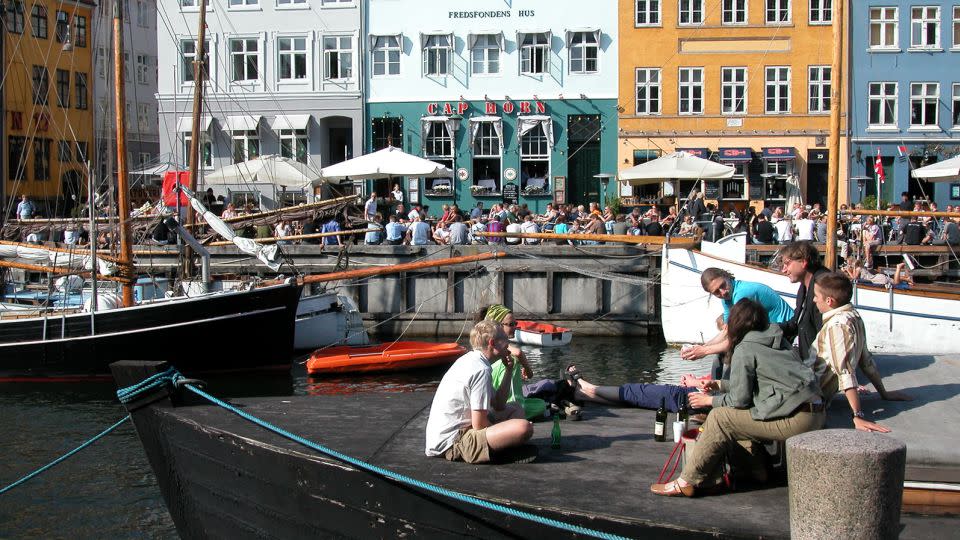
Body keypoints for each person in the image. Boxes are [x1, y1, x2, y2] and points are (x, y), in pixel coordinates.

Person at [650, 299, 825, 497]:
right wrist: (718, 385)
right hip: (813, 412)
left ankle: (687, 480)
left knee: (720, 418)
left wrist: (710, 401)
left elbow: (740, 400)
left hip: (796, 419)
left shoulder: (745, 348)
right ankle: (757, 471)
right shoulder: (777, 340)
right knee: (736, 416)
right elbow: (761, 384)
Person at [810, 273, 912, 433]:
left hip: (809, 393)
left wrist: (857, 416)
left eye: (816, 296)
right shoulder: (854, 316)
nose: (814, 300)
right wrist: (883, 393)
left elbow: (844, 370)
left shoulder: (837, 325)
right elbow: (866, 361)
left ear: (829, 301)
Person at [424, 320, 535, 463]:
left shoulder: (474, 360)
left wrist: (508, 370)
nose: (508, 343)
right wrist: (507, 432)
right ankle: (501, 451)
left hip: (461, 431)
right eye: (504, 339)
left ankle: (502, 447)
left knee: (516, 408)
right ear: (492, 343)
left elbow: (499, 405)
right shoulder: (480, 369)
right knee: (523, 427)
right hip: (452, 443)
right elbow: (480, 424)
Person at [681, 268, 794, 372]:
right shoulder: (727, 299)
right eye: (716, 292)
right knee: (722, 355)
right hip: (769, 330)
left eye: (723, 285)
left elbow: (734, 339)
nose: (723, 292)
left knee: (736, 349)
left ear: (727, 276)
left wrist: (704, 352)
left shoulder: (742, 294)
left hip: (788, 331)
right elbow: (726, 331)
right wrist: (699, 348)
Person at [478, 305, 544, 420]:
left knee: (540, 402)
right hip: (503, 404)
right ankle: (513, 412)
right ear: (497, 326)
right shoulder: (508, 355)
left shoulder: (484, 346)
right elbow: (518, 353)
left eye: (515, 324)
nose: (515, 327)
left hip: (493, 401)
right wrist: (528, 370)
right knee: (540, 406)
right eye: (511, 324)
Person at [778, 241, 829, 360]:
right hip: (809, 361)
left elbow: (825, 331)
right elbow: (796, 323)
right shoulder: (804, 287)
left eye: (787, 264)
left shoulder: (823, 286)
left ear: (803, 262)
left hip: (820, 367)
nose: (784, 270)